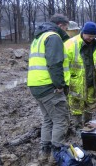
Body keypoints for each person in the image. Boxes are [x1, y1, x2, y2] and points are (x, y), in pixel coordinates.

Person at [27, 14, 70, 164]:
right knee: (60, 120)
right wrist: (59, 85)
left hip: (35, 85)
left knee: (48, 120)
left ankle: (44, 152)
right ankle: (56, 155)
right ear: (60, 25)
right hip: (48, 87)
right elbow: (54, 63)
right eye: (66, 27)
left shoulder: (38, 37)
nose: (66, 30)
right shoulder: (53, 37)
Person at [65, 21, 96, 131]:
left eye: (93, 36)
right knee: (76, 105)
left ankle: (88, 124)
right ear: (83, 33)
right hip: (76, 82)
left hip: (92, 81)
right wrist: (65, 81)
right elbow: (64, 64)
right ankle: (77, 127)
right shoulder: (71, 44)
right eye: (89, 36)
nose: (91, 38)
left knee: (91, 103)